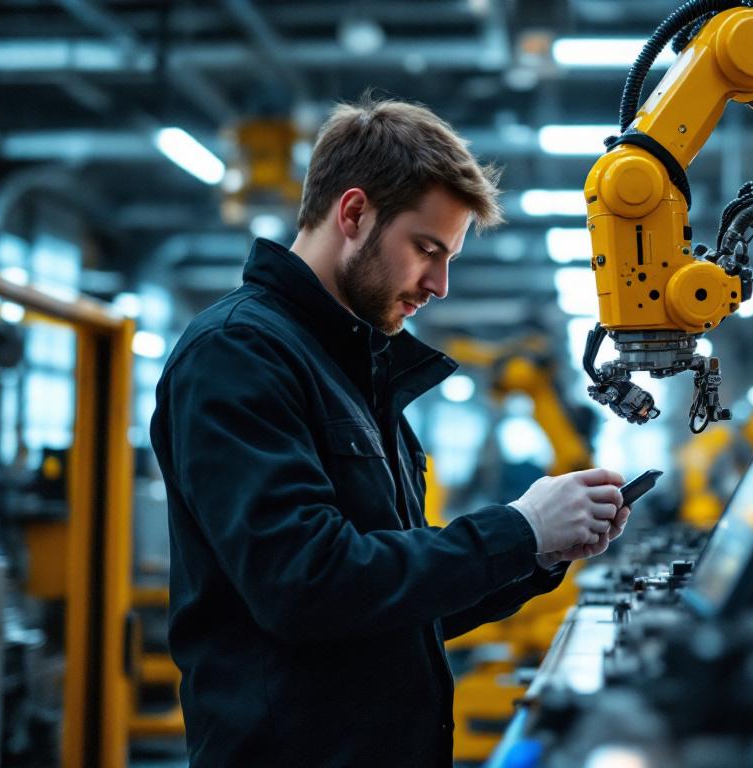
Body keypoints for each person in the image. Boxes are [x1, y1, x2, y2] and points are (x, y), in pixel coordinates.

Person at [150, 97, 630, 767]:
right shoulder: (238, 355)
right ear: (353, 214)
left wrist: (541, 552)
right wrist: (516, 530)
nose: (439, 284)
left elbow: (396, 605)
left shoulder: (356, 370)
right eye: (427, 249)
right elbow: (306, 585)